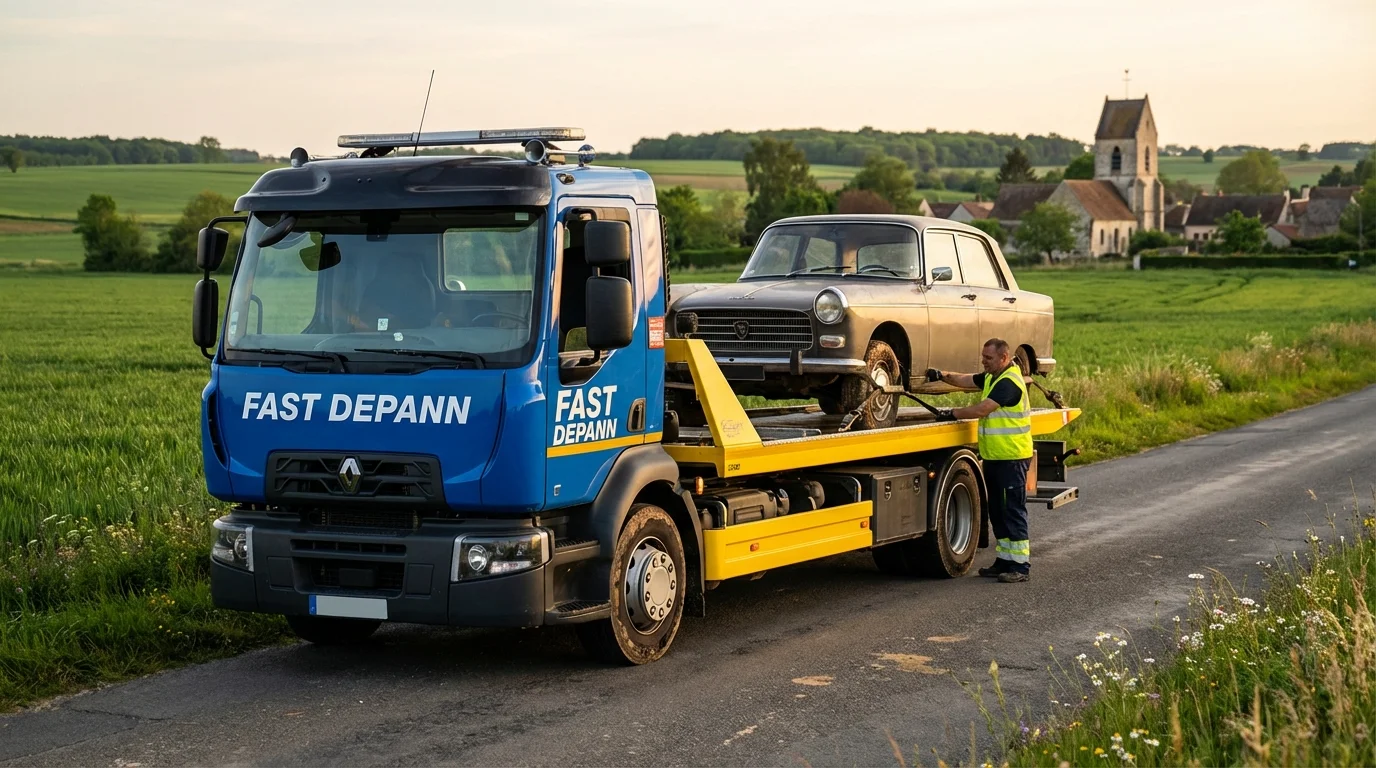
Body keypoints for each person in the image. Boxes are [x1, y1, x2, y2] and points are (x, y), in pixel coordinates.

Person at [925, 339, 1034, 583]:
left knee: (1012, 511)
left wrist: (953, 414)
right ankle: (1005, 561)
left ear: (1004, 358)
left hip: (1012, 459)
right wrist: (942, 375)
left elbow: (983, 409)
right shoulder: (992, 377)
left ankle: (1021, 566)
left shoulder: (1009, 382)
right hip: (996, 458)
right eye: (983, 356)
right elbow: (966, 380)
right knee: (996, 511)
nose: (984, 361)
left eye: (989, 358)